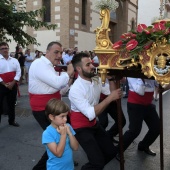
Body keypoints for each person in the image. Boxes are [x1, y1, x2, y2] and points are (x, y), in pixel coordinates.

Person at [68, 52, 122, 170]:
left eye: (91, 63)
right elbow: (91, 113)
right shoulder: (75, 89)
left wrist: (111, 78)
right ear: (79, 69)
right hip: (81, 128)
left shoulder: (96, 80)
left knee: (111, 152)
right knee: (97, 163)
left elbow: (110, 92)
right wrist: (111, 97)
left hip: (93, 123)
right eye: (88, 65)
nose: (92, 66)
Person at [29, 41, 74, 170]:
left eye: (61, 52)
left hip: (53, 108)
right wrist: (68, 73)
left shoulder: (48, 66)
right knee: (56, 138)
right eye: (56, 52)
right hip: (43, 109)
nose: (59, 55)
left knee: (64, 134)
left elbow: (58, 90)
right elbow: (56, 83)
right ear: (47, 52)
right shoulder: (39, 64)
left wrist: (69, 80)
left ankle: (63, 157)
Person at [117, 78, 160, 160]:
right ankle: (118, 150)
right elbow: (140, 90)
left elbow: (158, 84)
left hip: (148, 104)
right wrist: (143, 77)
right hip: (135, 104)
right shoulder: (132, 73)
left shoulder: (150, 70)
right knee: (134, 131)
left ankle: (143, 145)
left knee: (157, 127)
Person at [42, 98, 79, 170]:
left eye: (66, 116)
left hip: (69, 167)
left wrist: (70, 133)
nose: (65, 119)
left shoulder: (67, 126)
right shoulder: (47, 133)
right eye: (62, 116)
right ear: (51, 117)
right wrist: (63, 135)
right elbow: (58, 154)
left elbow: (75, 147)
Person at [0, 42, 21, 126]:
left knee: (12, 103)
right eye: (2, 48)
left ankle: (11, 121)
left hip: (13, 85)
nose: (5, 50)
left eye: (6, 48)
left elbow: (19, 72)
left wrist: (13, 83)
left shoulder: (14, 60)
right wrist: (4, 84)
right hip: (1, 86)